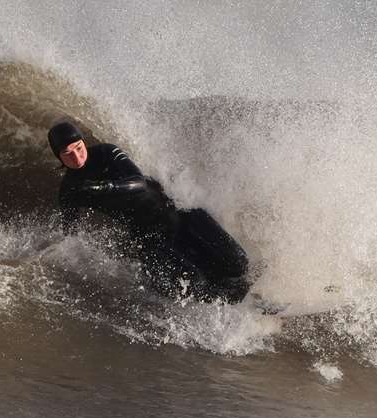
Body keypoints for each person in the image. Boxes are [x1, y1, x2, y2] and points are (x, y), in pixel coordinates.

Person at [46, 117, 252, 303]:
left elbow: (139, 183)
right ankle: (247, 309)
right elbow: (70, 234)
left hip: (179, 214)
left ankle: (254, 299)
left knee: (239, 263)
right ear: (59, 157)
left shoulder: (107, 153)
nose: (76, 156)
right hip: (150, 239)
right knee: (196, 285)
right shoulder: (70, 190)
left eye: (79, 147)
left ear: (84, 142)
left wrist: (104, 188)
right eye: (67, 153)